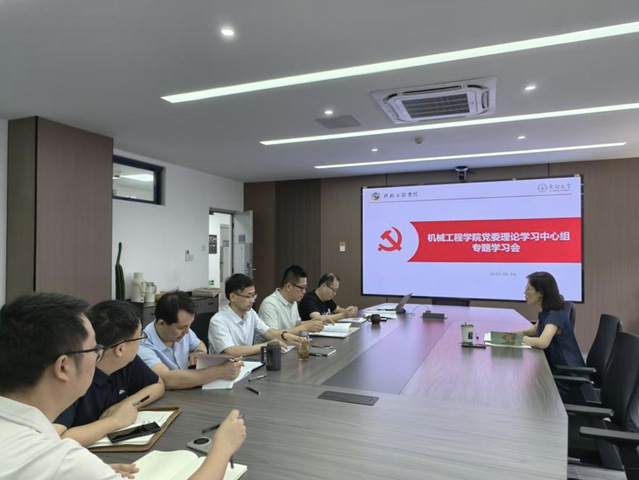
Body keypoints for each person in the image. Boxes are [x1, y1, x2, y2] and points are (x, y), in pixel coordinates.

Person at [0, 292, 245, 480]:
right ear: (63, 367)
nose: (98, 355)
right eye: (93, 349)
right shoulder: (62, 461)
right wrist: (223, 447)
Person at [53, 300, 165, 447]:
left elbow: (157, 385)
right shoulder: (73, 375)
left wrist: (126, 404)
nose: (141, 343)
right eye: (140, 337)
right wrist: (115, 421)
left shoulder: (126, 362)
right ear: (120, 349)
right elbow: (56, 440)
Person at [138, 291, 243, 390]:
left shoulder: (182, 330)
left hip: (186, 390)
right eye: (181, 328)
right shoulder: (142, 345)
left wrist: (199, 353)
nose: (187, 332)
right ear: (161, 324)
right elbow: (167, 380)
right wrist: (221, 371)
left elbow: (200, 344)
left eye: (189, 326)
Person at [209, 273, 307, 356]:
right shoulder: (218, 321)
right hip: (224, 369)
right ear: (232, 297)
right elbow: (231, 351)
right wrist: (266, 345)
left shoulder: (250, 313)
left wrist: (285, 336)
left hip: (246, 364)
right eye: (248, 296)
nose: (253, 300)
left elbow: (268, 333)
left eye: (253, 295)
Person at [517, 271, 585, 370]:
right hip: (556, 367)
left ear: (540, 293)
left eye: (528, 289)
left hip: (567, 372)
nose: (525, 292)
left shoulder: (555, 314)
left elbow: (542, 342)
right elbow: (536, 329)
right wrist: (516, 333)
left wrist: (518, 339)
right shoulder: (546, 311)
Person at [257, 265, 325, 340]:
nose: (304, 291)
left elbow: (296, 324)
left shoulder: (293, 301)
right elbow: (272, 335)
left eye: (305, 288)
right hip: (271, 346)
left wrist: (314, 322)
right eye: (302, 288)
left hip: (289, 344)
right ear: (289, 286)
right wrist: (306, 327)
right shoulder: (269, 304)